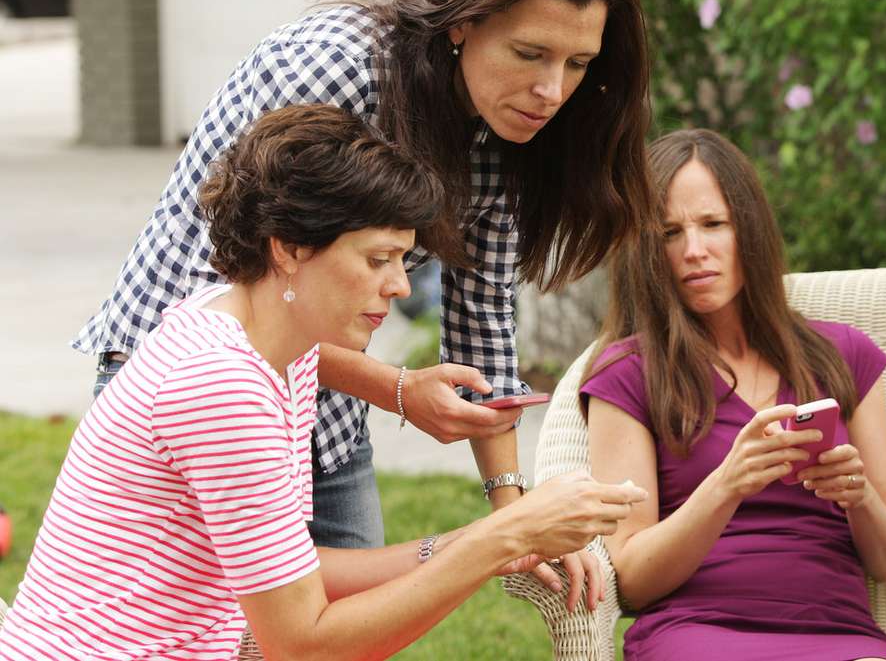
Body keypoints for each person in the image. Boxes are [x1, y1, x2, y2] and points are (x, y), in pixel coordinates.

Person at [71, 0, 652, 608]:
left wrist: (511, 510)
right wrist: (400, 389)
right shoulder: (336, 67)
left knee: (341, 631)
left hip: (321, 403)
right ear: (463, 22)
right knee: (217, 629)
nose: (550, 90)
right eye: (531, 53)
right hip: (196, 388)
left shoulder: (508, 120)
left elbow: (482, 312)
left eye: (576, 64)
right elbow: (237, 304)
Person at [0, 105, 646, 660]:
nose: (398, 285)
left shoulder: (272, 341)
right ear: (289, 248)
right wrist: (502, 535)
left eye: (402, 260)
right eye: (377, 259)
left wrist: (475, 544)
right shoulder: (221, 384)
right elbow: (304, 644)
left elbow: (294, 576)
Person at [582, 129, 886, 661]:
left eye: (713, 224)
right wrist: (726, 486)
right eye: (669, 232)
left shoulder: (845, 355)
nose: (694, 251)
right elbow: (634, 582)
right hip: (698, 631)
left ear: (748, 228)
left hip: (837, 634)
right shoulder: (629, 372)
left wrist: (859, 496)